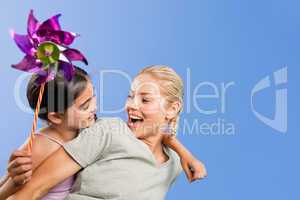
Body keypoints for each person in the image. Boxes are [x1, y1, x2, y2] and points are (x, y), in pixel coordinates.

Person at [3, 65, 207, 200]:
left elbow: (161, 135)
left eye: (144, 100)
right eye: (130, 96)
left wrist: (184, 154)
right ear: (56, 116)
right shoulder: (104, 131)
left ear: (172, 108)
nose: (130, 106)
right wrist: (11, 184)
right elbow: (27, 191)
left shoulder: (173, 165)